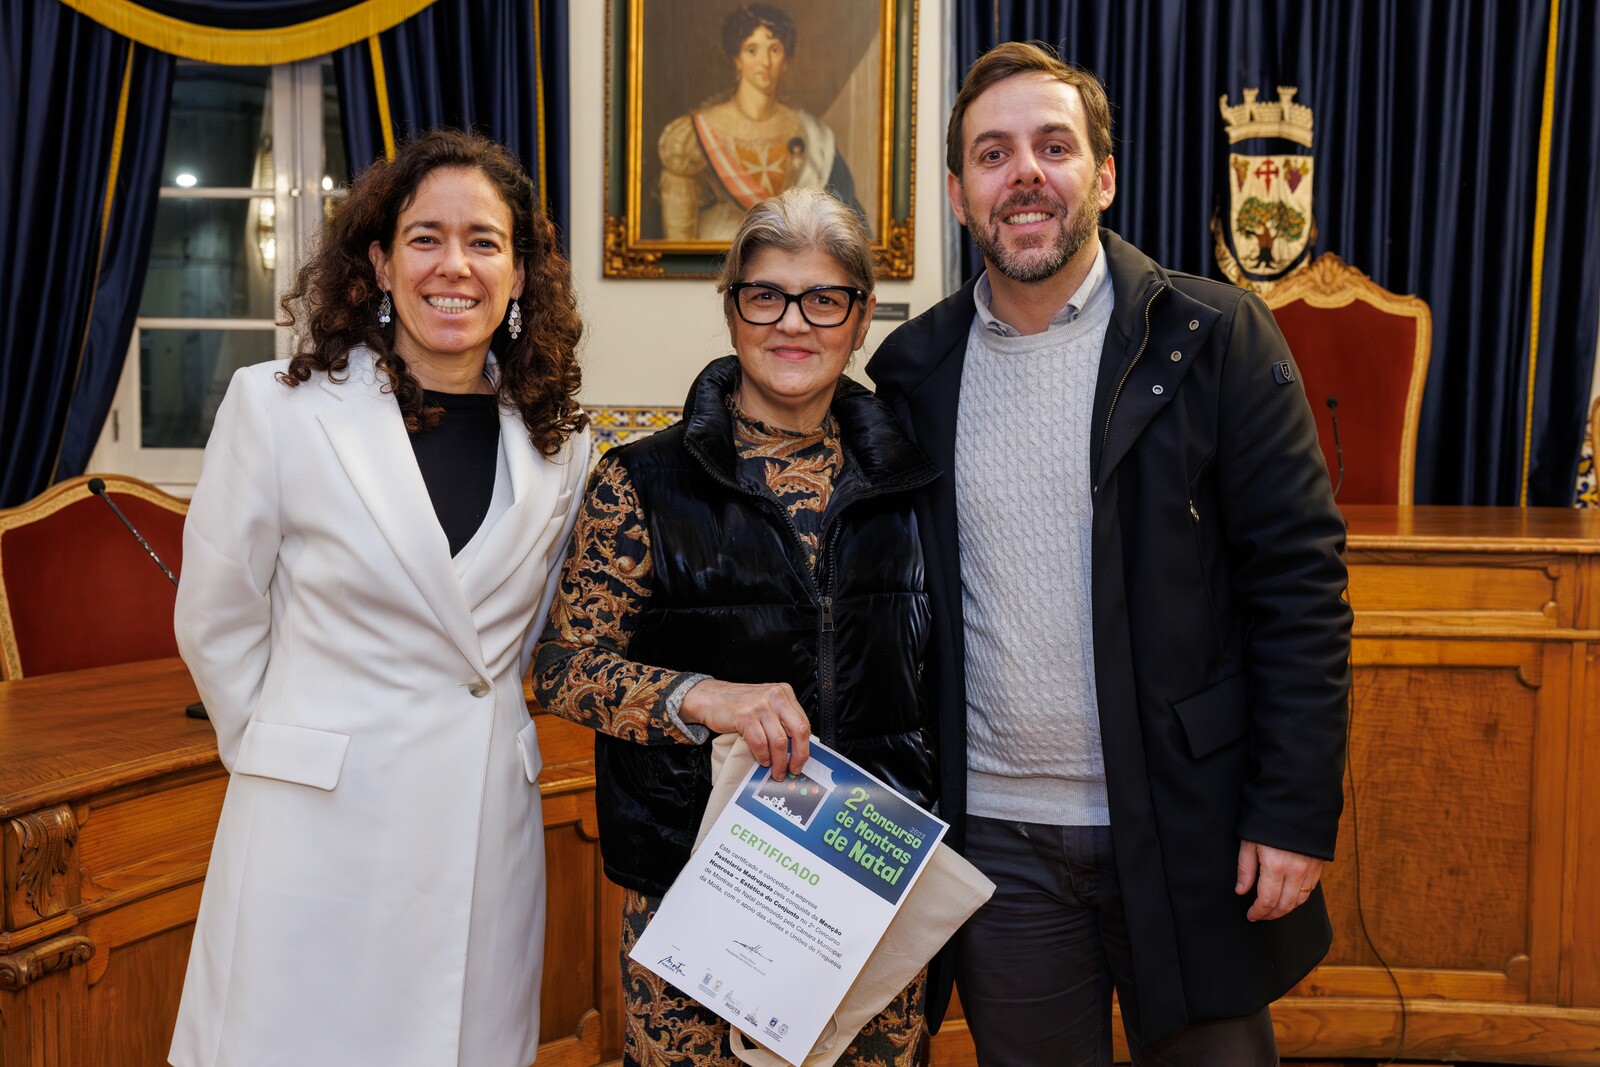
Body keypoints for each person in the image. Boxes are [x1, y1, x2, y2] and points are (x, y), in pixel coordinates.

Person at [867, 42, 1353, 1067]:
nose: (1025, 174)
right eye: (992, 154)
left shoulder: (1215, 336)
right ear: (958, 194)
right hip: (998, 845)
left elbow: (1298, 586)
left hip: (1188, 824)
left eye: (1054, 147)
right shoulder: (913, 372)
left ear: (1104, 176)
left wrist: (1293, 808)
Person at [169, 129, 590, 1067]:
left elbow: (533, 634)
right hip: (314, 836)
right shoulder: (276, 406)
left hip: (480, 835)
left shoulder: (562, 444)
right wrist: (286, 754)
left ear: (520, 274)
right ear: (380, 262)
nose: (455, 265)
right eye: (425, 237)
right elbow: (216, 617)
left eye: (484, 242)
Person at [533, 185, 933, 1066]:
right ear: (731, 310)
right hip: (697, 891)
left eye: (823, 298)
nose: (793, 322)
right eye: (766, 295)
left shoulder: (914, 486)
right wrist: (700, 696)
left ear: (861, 317)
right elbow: (561, 667)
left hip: (870, 886)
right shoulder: (641, 481)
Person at [658, 3, 862, 240]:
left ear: (786, 58)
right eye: (752, 50)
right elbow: (678, 238)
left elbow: (846, 227)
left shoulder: (814, 136)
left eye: (774, 50)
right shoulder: (693, 133)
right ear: (737, 58)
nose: (764, 61)